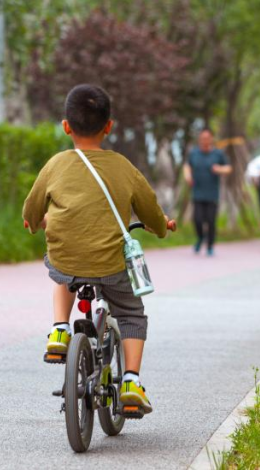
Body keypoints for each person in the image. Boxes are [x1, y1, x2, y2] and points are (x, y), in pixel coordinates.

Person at [22, 84, 176, 415]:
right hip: (112, 266)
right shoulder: (123, 167)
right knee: (132, 312)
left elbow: (32, 210)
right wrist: (162, 226)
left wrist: (36, 222)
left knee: (60, 271)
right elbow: (149, 210)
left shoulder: (55, 165)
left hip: (68, 260)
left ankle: (60, 331)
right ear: (109, 126)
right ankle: (131, 381)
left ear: (66, 126)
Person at [183, 129, 232, 256]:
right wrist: (188, 176)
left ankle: (210, 246)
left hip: (212, 194)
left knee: (211, 221)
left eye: (207, 137)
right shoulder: (194, 153)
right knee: (197, 220)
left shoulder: (218, 154)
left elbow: (228, 168)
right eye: (202, 138)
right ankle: (200, 238)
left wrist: (219, 169)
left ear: (211, 139)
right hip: (198, 193)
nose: (205, 140)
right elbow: (187, 166)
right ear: (199, 139)